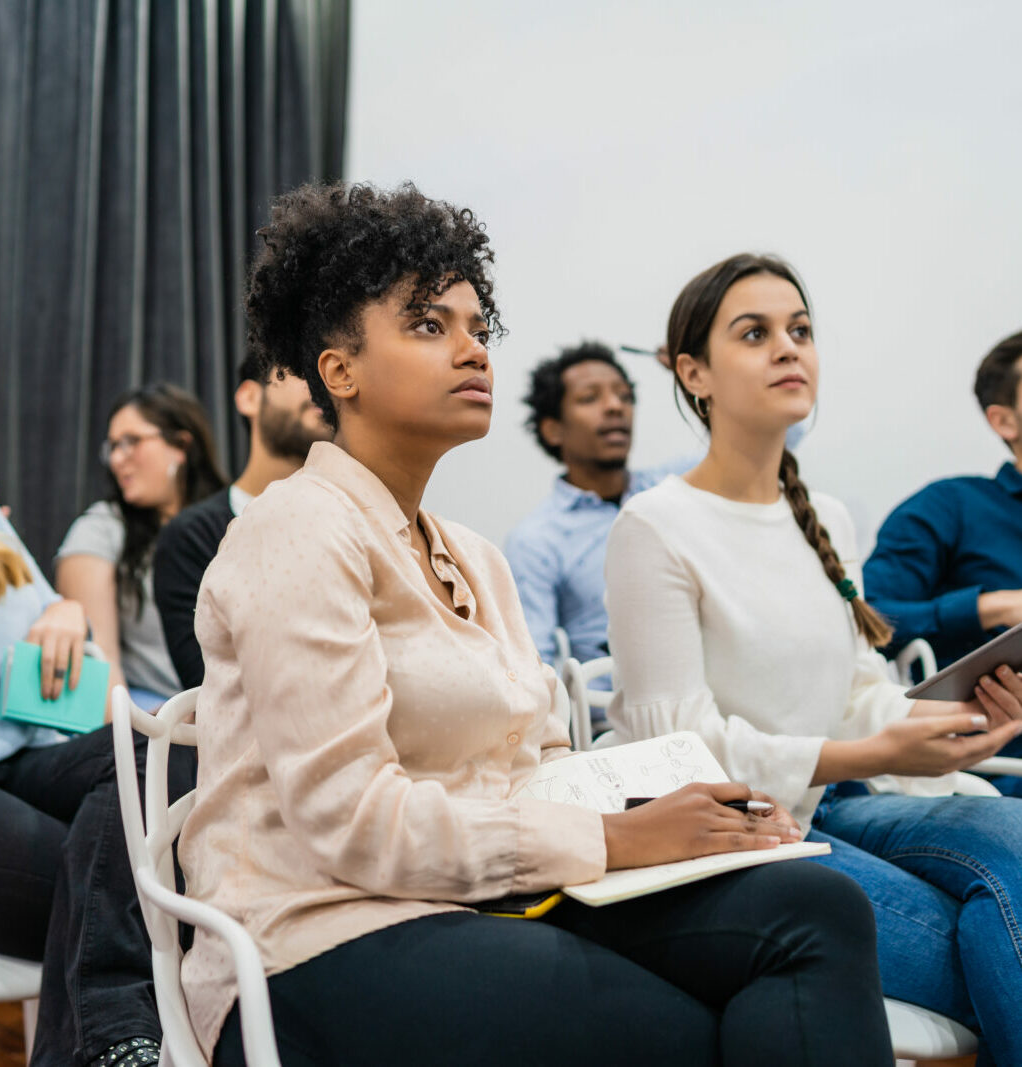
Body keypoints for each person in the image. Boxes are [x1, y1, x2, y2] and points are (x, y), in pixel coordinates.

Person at [177, 182, 893, 1067]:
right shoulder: (296, 529)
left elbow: (541, 760)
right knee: (690, 1034)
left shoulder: (475, 556)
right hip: (318, 932)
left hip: (496, 898)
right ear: (340, 371)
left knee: (819, 908)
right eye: (429, 325)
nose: (473, 349)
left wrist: (661, 808)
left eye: (477, 326)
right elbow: (350, 820)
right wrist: (611, 838)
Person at [604, 252, 1022, 1065]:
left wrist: (959, 719)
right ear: (693, 373)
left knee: (1009, 831)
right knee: (991, 930)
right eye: (754, 333)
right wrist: (873, 749)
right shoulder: (653, 528)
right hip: (737, 832)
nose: (788, 348)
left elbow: (860, 690)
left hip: (836, 801)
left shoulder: (821, 515)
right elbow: (678, 748)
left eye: (799, 330)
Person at [0, 465, 194, 1067]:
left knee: (171, 748)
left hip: (21, 748)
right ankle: (113, 1036)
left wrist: (66, 612)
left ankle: (103, 1039)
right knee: (145, 877)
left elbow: (41, 603)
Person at [505, 342, 690, 678]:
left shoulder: (673, 487)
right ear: (553, 429)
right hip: (609, 724)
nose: (615, 406)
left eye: (624, 395)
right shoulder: (535, 541)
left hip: (710, 706)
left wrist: (696, 374)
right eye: (590, 398)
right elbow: (536, 670)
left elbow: (773, 440)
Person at [154, 353, 332, 689]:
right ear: (250, 397)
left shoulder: (358, 522)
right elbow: (211, 686)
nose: (324, 387)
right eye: (304, 370)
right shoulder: (192, 537)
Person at [56, 383, 227, 708]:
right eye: (113, 447)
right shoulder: (101, 529)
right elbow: (102, 670)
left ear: (181, 445)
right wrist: (147, 738)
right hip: (154, 726)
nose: (118, 459)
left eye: (131, 442)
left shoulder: (231, 520)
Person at [864, 331, 1022, 668]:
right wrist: (993, 607)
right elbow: (863, 618)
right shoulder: (949, 507)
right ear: (1004, 420)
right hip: (985, 718)